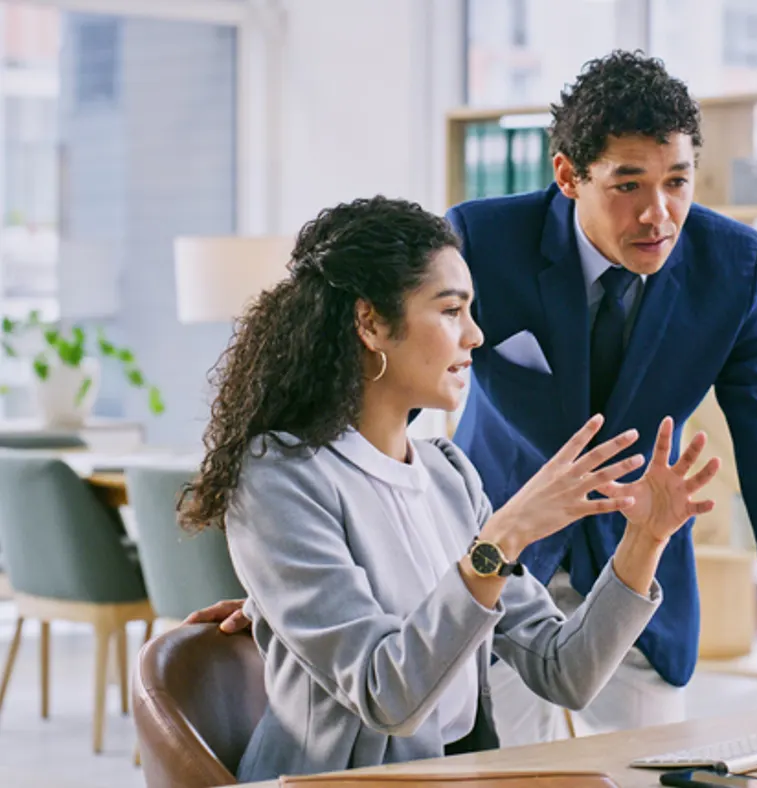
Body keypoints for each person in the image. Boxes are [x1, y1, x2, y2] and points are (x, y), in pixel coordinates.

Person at [177, 196, 721, 782]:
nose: (476, 335)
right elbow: (386, 694)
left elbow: (565, 671)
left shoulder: (448, 474)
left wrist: (644, 541)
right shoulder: (281, 477)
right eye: (451, 310)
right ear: (371, 323)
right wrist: (502, 540)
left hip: (456, 773)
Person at [446, 49, 757, 742]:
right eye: (628, 184)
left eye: (677, 181)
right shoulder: (484, 242)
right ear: (569, 176)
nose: (658, 214)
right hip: (505, 567)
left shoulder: (733, 267)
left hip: (638, 573)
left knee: (649, 771)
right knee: (510, 776)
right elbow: (394, 395)